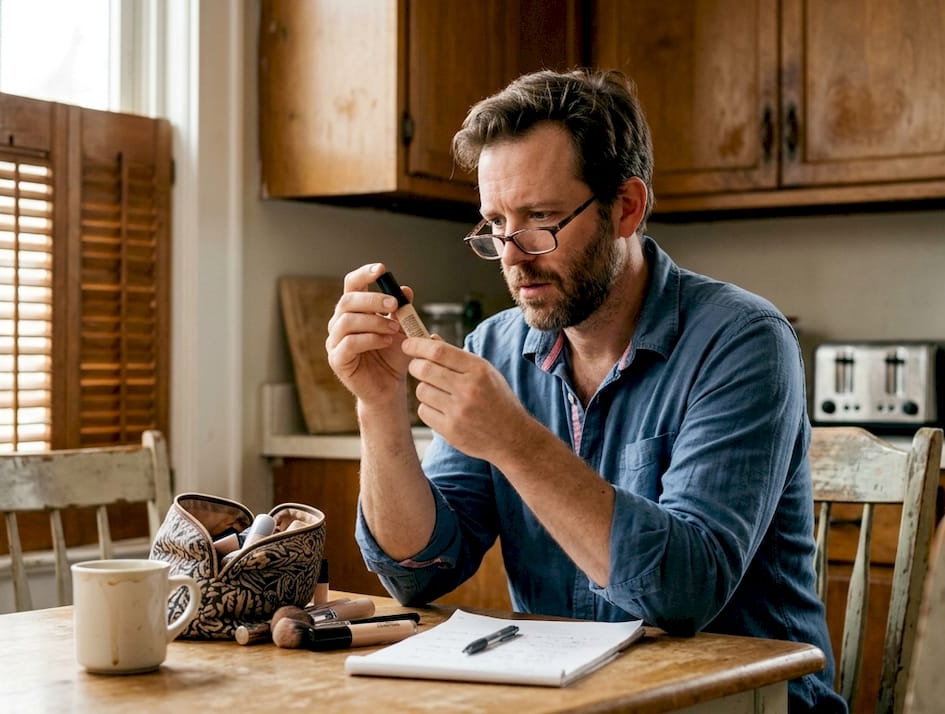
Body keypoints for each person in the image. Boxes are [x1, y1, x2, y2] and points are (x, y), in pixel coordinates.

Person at [326, 68, 845, 713]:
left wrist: (514, 441)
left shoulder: (744, 342)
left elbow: (684, 593)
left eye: (541, 218)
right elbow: (420, 570)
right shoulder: (496, 346)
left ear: (626, 207)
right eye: (495, 224)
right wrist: (379, 407)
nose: (513, 254)